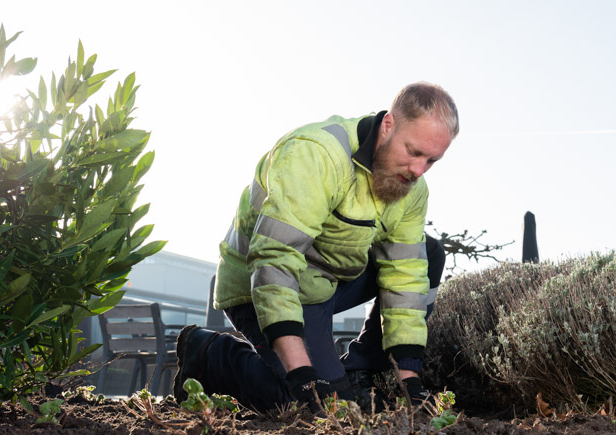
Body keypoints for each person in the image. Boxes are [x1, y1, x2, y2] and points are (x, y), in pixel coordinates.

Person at [172, 82, 458, 413]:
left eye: (432, 160)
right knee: (314, 406)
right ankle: (211, 354)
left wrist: (411, 382)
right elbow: (274, 263)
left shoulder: (413, 189)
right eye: (414, 152)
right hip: (261, 284)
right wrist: (302, 373)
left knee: (428, 253)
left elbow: (404, 275)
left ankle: (360, 371)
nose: (419, 171)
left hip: (326, 283)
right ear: (389, 124)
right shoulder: (315, 153)